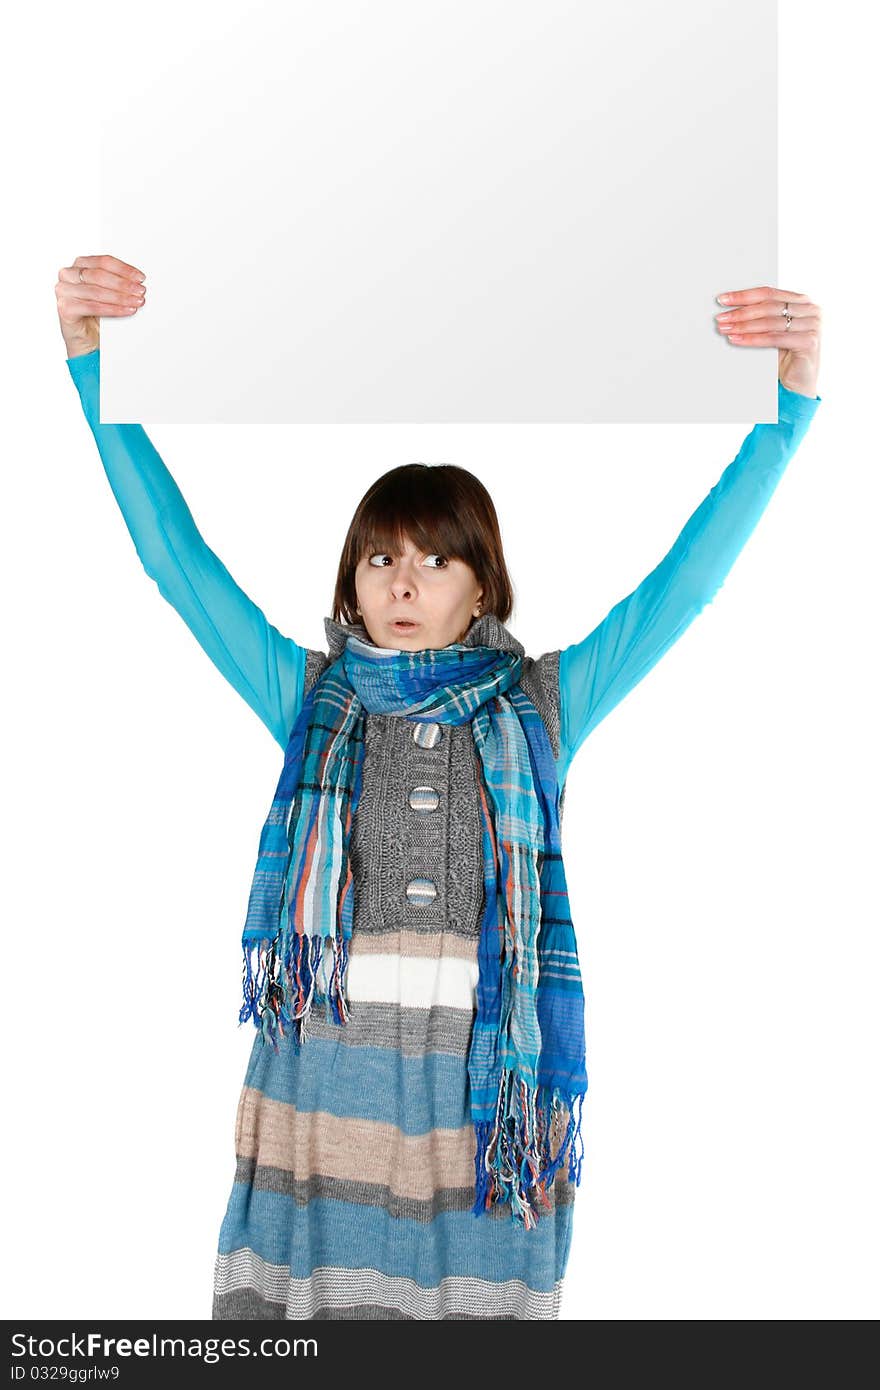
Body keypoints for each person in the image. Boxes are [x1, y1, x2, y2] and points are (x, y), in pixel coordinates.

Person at [56, 254, 822, 1321]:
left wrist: (787, 407)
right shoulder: (311, 695)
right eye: (375, 559)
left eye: (429, 560)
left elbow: (683, 585)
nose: (399, 581)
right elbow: (172, 557)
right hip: (326, 1091)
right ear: (351, 582)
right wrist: (92, 366)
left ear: (481, 588)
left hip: (481, 1094)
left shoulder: (543, 703)